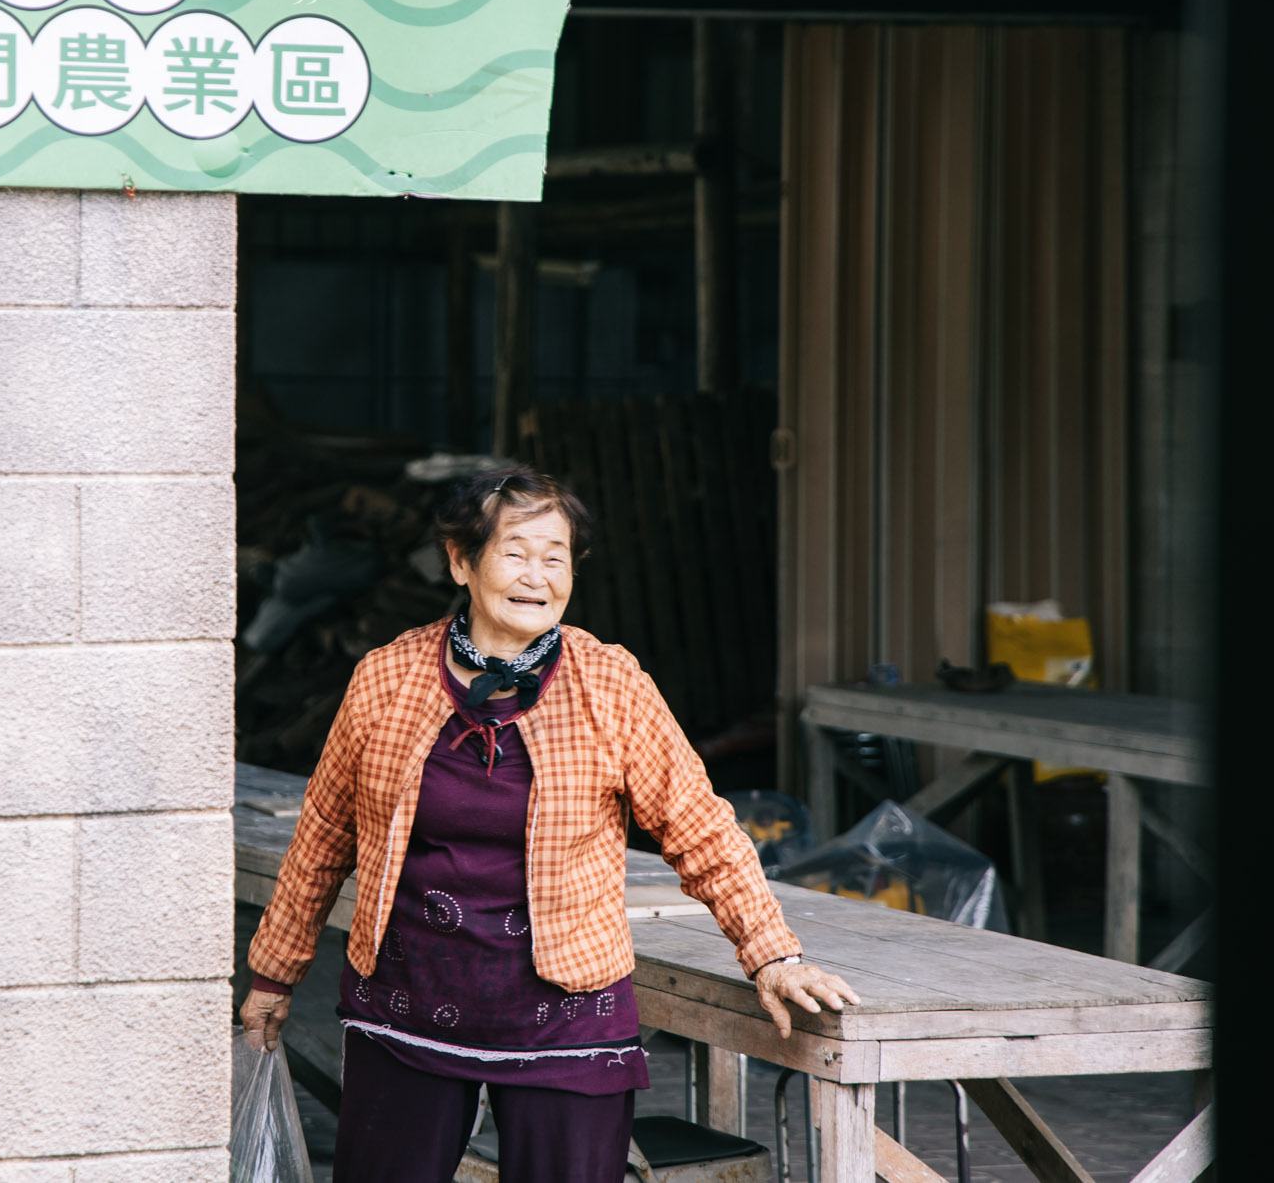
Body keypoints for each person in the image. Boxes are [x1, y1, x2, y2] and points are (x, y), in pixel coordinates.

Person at [239, 465, 860, 1183]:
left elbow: (702, 827)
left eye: (555, 556)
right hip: (405, 1007)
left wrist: (773, 953)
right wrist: (273, 975)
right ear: (461, 561)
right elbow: (322, 835)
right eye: (515, 552)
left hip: (567, 1015)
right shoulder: (386, 676)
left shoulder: (611, 683)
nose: (537, 575)